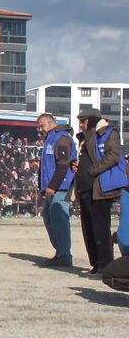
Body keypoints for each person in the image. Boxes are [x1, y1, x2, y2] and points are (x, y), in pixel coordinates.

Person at [71, 109, 127, 275]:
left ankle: (105, 266)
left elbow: (114, 155)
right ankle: (95, 264)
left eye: (83, 120)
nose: (80, 124)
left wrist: (92, 170)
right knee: (88, 229)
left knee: (100, 228)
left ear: (92, 120)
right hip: (85, 188)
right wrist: (76, 166)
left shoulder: (108, 133)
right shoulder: (84, 139)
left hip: (100, 188)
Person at [36, 113, 77, 267]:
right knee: (49, 218)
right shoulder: (49, 140)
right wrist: (43, 187)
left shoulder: (62, 138)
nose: (40, 130)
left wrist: (53, 185)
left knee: (60, 219)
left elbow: (63, 165)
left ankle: (65, 255)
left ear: (52, 123)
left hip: (61, 187)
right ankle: (60, 252)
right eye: (38, 128)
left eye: (42, 126)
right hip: (50, 188)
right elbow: (45, 167)